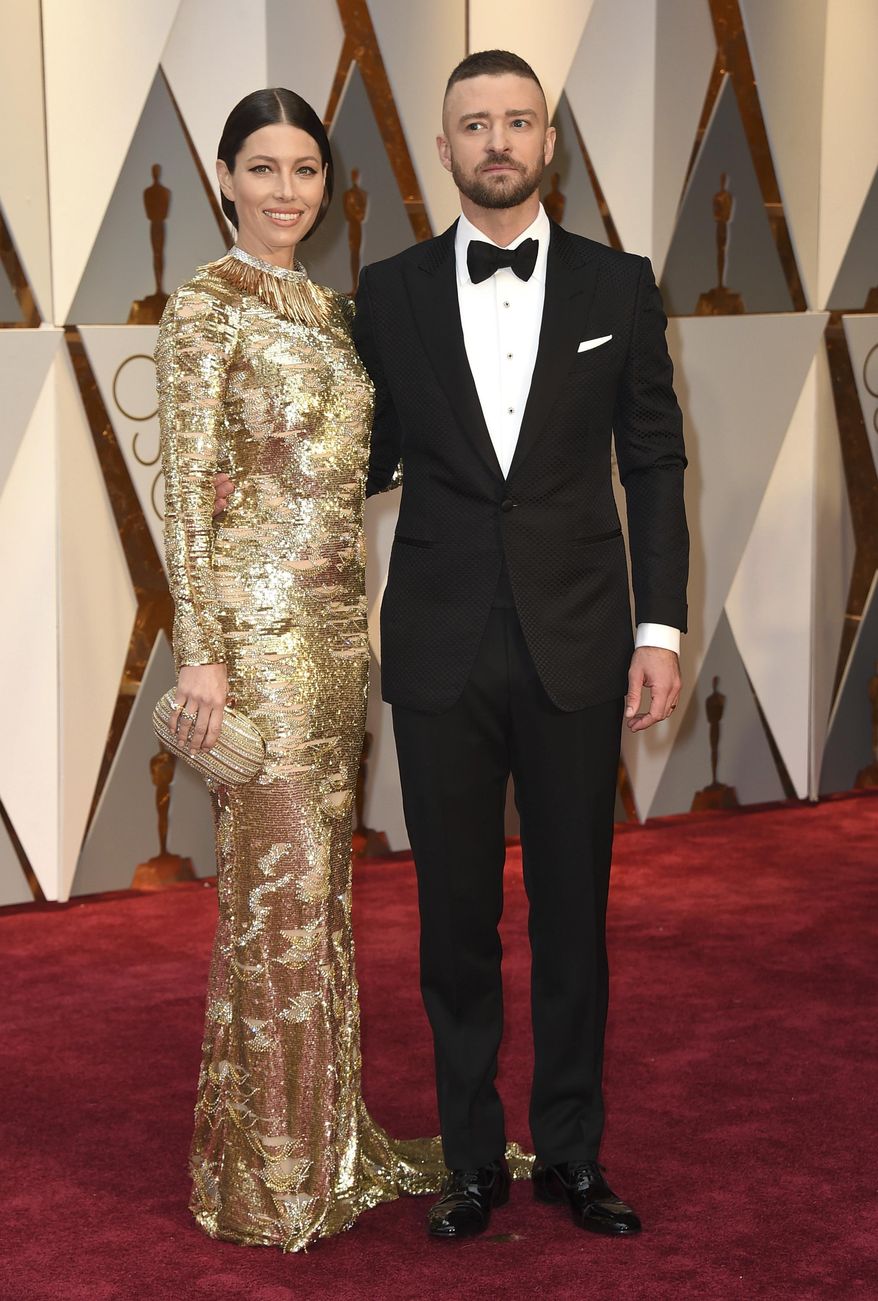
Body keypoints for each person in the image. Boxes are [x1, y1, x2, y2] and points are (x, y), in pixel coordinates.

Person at [351, 51, 689, 1240]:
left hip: (579, 640)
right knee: (451, 921)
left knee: (570, 914)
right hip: (438, 646)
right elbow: (364, 458)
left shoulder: (617, 285)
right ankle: (468, 1159)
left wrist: (658, 626)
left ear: (548, 140)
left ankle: (572, 1152)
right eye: (472, 125)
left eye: (516, 121)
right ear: (441, 149)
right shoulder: (384, 293)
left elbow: (650, 459)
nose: (496, 141)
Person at [156, 87, 447, 1253]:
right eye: (263, 168)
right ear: (224, 177)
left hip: (339, 631)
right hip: (259, 645)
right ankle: (268, 1175)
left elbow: (348, 469)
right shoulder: (204, 307)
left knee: (323, 895)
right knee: (273, 904)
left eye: (305, 171)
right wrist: (203, 653)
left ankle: (326, 1140)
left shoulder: (331, 312)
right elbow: (184, 488)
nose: (286, 190)